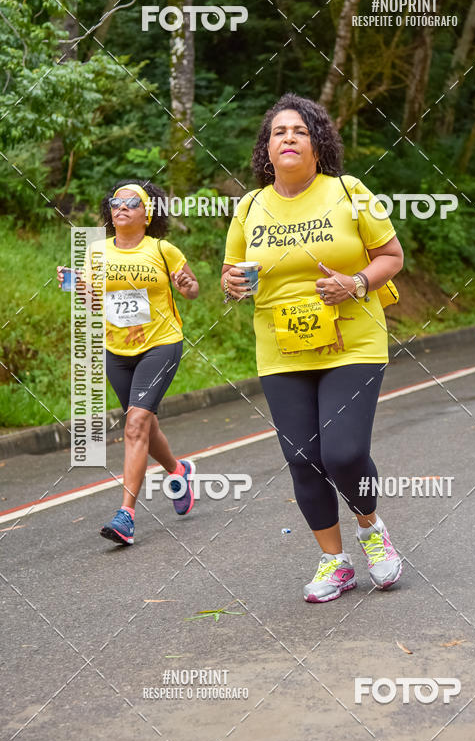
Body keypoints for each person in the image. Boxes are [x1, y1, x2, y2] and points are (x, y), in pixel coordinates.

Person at [222, 94, 405, 602]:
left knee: (344, 453)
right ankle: (333, 562)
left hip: (354, 342)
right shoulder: (250, 206)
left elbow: (391, 256)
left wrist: (357, 283)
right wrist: (234, 283)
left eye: (299, 131)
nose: (288, 138)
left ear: (317, 144)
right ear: (267, 147)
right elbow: (232, 270)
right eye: (278, 131)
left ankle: (371, 531)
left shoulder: (350, 192)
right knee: (303, 458)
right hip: (282, 349)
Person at [57, 180, 199, 545]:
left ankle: (126, 515)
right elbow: (91, 301)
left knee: (134, 422)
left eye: (132, 203)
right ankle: (177, 470)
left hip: (161, 344)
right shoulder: (97, 253)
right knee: (144, 424)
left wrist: (186, 285)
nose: (121, 207)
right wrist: (78, 288)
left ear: (147, 213)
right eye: (115, 202)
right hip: (117, 349)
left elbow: (192, 289)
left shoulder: (163, 249)